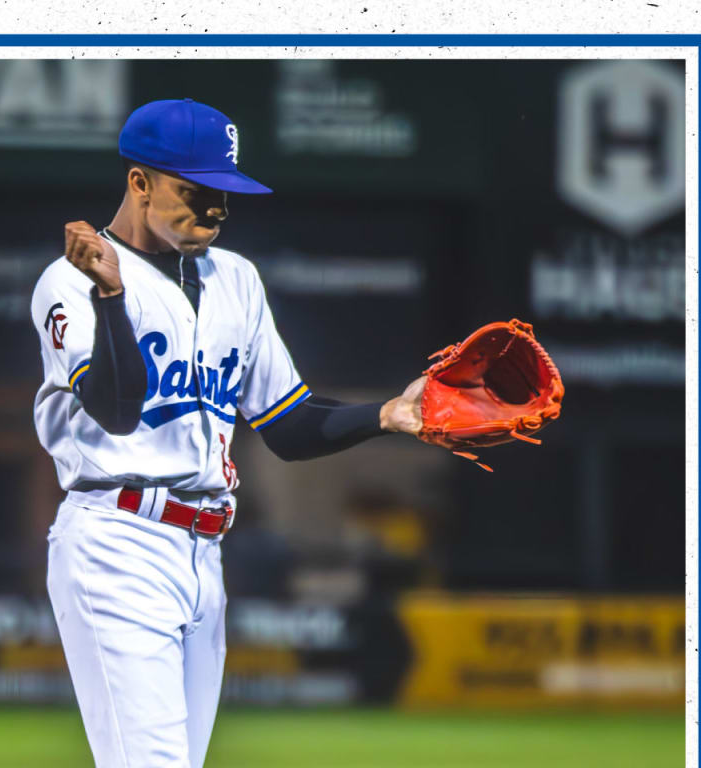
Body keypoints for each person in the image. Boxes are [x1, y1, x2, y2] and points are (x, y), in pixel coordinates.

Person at [30, 97, 425, 768]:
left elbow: (290, 423)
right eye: (197, 191)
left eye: (224, 194)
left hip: (203, 554)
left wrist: (387, 415)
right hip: (114, 541)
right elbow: (118, 408)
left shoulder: (236, 279)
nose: (213, 209)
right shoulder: (68, 282)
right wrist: (112, 296)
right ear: (140, 182)